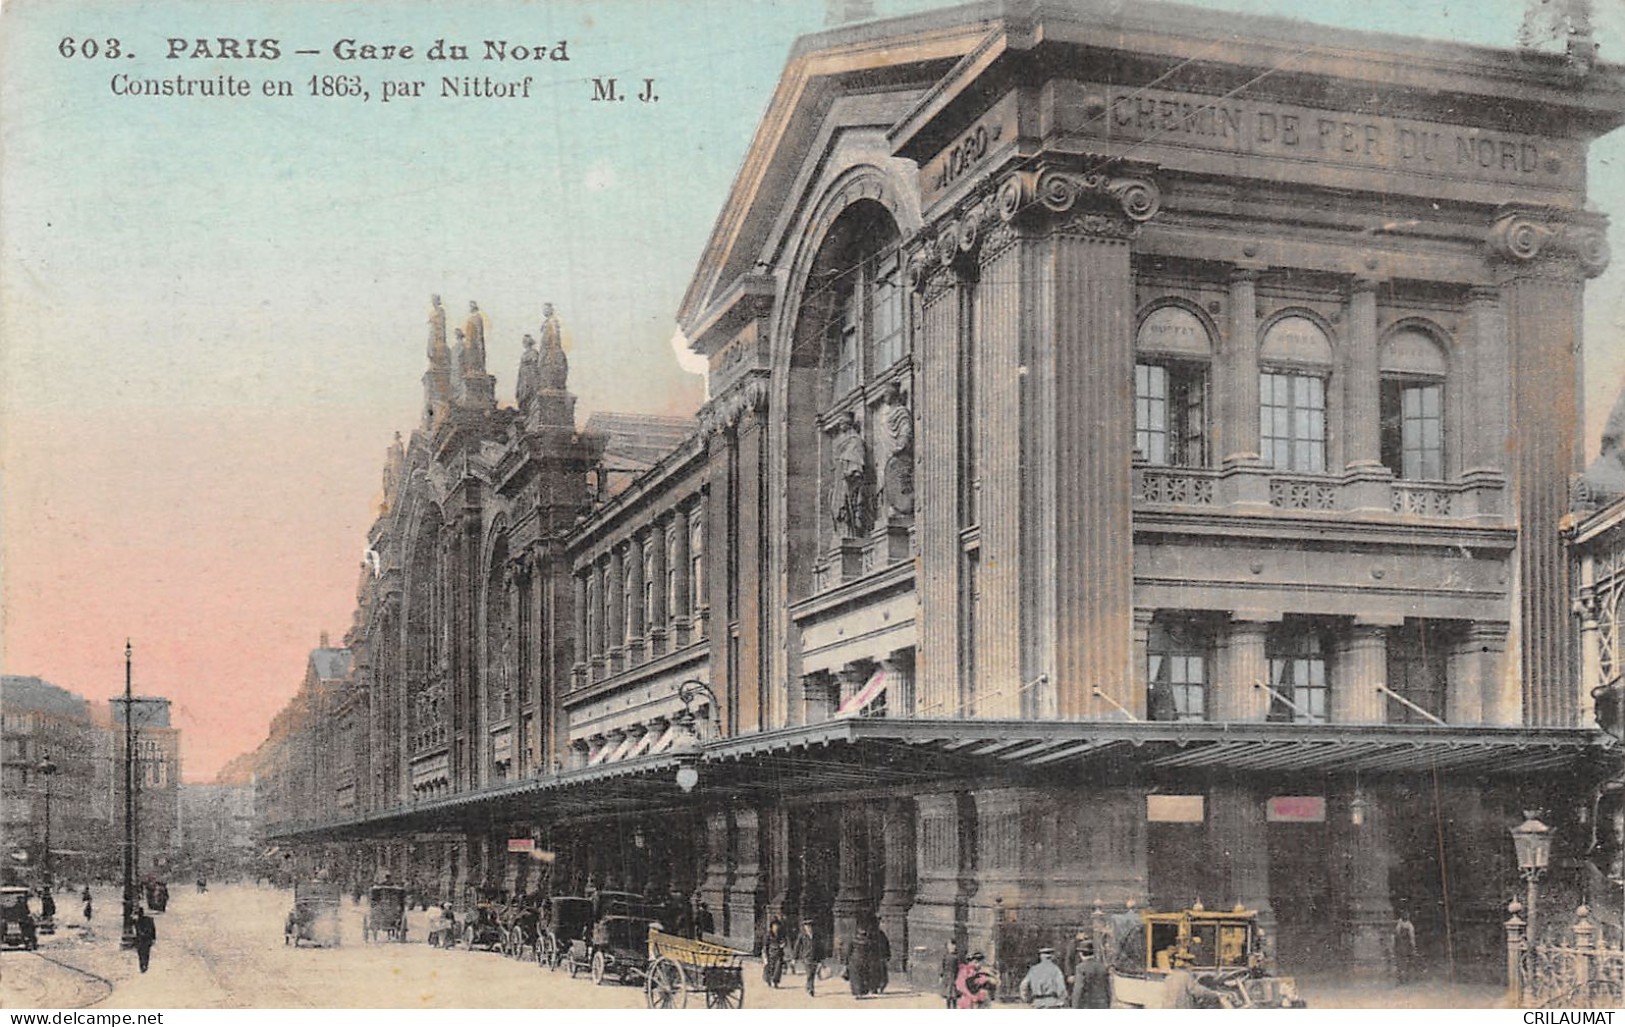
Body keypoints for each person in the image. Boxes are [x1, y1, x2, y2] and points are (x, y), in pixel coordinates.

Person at [1069, 936, 1110, 1009]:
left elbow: (1078, 991)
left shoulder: (1081, 968)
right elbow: (1108, 990)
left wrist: (1074, 1007)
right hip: (1102, 1005)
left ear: (1081, 954)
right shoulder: (1102, 967)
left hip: (1087, 1006)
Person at [843, 924, 874, 997]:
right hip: (864, 961)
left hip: (854, 961)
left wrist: (846, 962)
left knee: (855, 978)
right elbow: (870, 952)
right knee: (863, 976)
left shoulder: (853, 941)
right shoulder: (868, 942)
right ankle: (862, 992)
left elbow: (848, 952)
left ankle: (857, 992)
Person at [798, 921, 827, 997]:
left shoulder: (816, 936)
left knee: (813, 973)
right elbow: (797, 946)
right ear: (804, 928)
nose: (808, 928)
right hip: (806, 957)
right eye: (807, 927)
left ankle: (809, 986)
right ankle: (811, 988)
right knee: (809, 973)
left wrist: (821, 959)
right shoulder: (802, 936)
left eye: (810, 927)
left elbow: (820, 947)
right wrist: (795, 957)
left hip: (815, 957)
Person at [762, 916, 787, 988]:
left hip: (779, 953)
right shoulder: (768, 935)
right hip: (770, 953)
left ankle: (775, 982)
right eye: (774, 925)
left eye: (777, 925)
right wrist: (765, 956)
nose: (776, 927)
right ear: (771, 926)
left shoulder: (781, 934)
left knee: (778, 968)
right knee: (770, 968)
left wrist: (783, 944)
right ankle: (769, 980)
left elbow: (784, 941)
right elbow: (765, 946)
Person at [133, 906, 157, 973]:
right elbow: (153, 930)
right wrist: (154, 938)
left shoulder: (137, 921)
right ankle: (144, 965)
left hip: (142, 940)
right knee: (145, 953)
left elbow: (152, 929)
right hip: (145, 939)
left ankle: (142, 965)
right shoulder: (149, 920)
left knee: (142, 953)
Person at [940, 940, 963, 1010]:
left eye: (953, 946)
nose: (952, 947)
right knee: (948, 995)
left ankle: (954, 1007)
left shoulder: (957, 957)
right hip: (947, 977)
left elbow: (959, 967)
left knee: (954, 994)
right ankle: (948, 1008)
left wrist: (959, 977)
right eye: (950, 946)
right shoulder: (945, 956)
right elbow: (943, 967)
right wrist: (941, 976)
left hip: (954, 977)